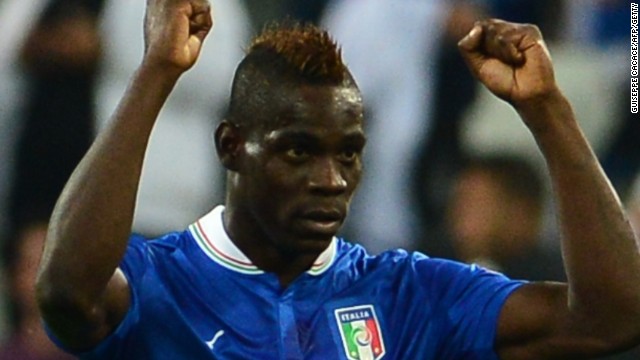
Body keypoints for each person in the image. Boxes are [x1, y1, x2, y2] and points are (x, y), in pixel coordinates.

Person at [36, 0, 640, 358]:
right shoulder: (159, 281)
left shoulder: (407, 296)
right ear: (231, 148)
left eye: (348, 154)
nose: (331, 179)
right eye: (298, 152)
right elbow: (65, 294)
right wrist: (156, 72)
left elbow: (611, 318)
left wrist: (549, 111)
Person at [444, 155, 565, 282]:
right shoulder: (434, 274)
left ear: (520, 212)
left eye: (474, 203)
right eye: (458, 201)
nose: (458, 214)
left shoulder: (558, 288)